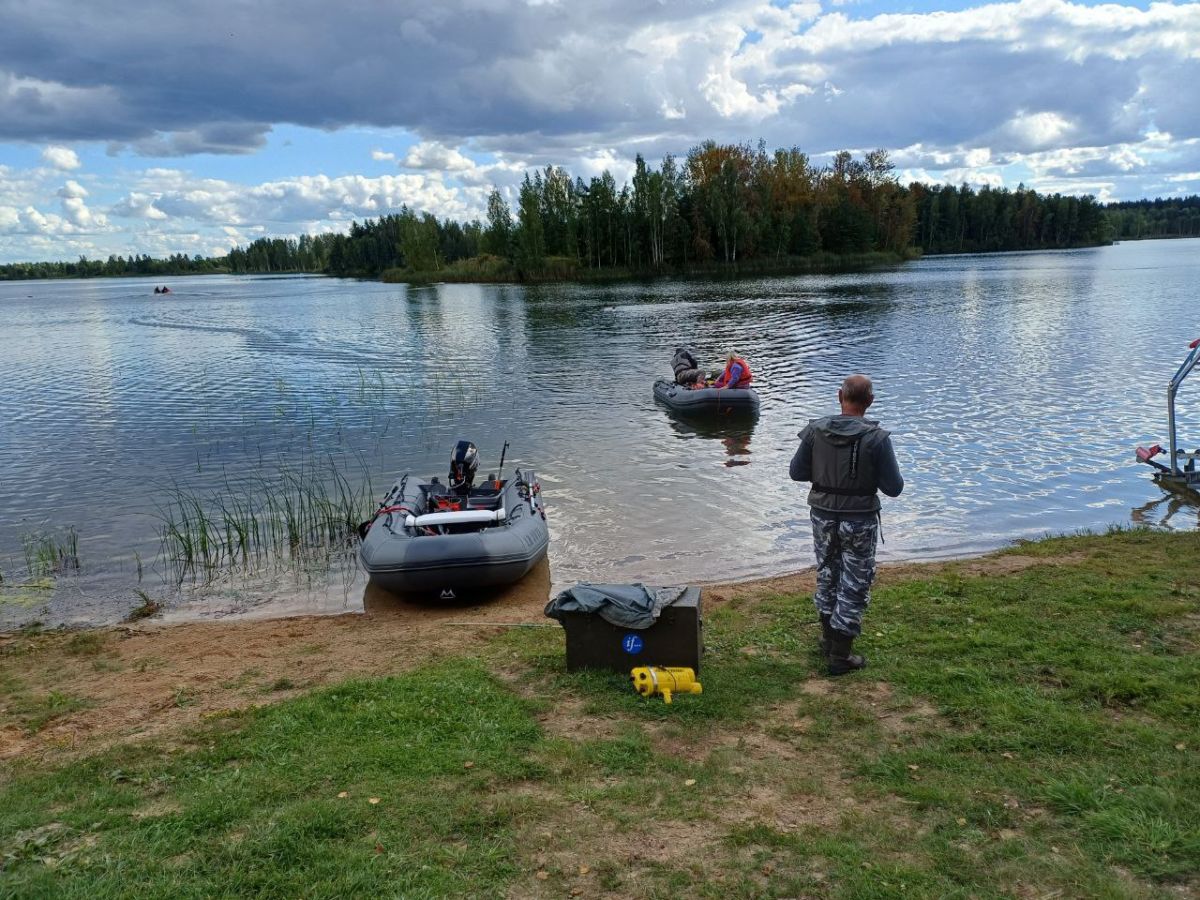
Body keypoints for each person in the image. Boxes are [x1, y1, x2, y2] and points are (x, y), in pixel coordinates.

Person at [789, 374, 903, 675]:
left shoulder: (815, 431)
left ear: (840, 396)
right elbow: (894, 487)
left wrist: (826, 470)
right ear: (870, 402)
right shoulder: (877, 439)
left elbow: (796, 473)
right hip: (860, 520)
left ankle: (829, 639)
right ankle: (840, 655)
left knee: (827, 572)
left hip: (822, 515)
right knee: (855, 581)